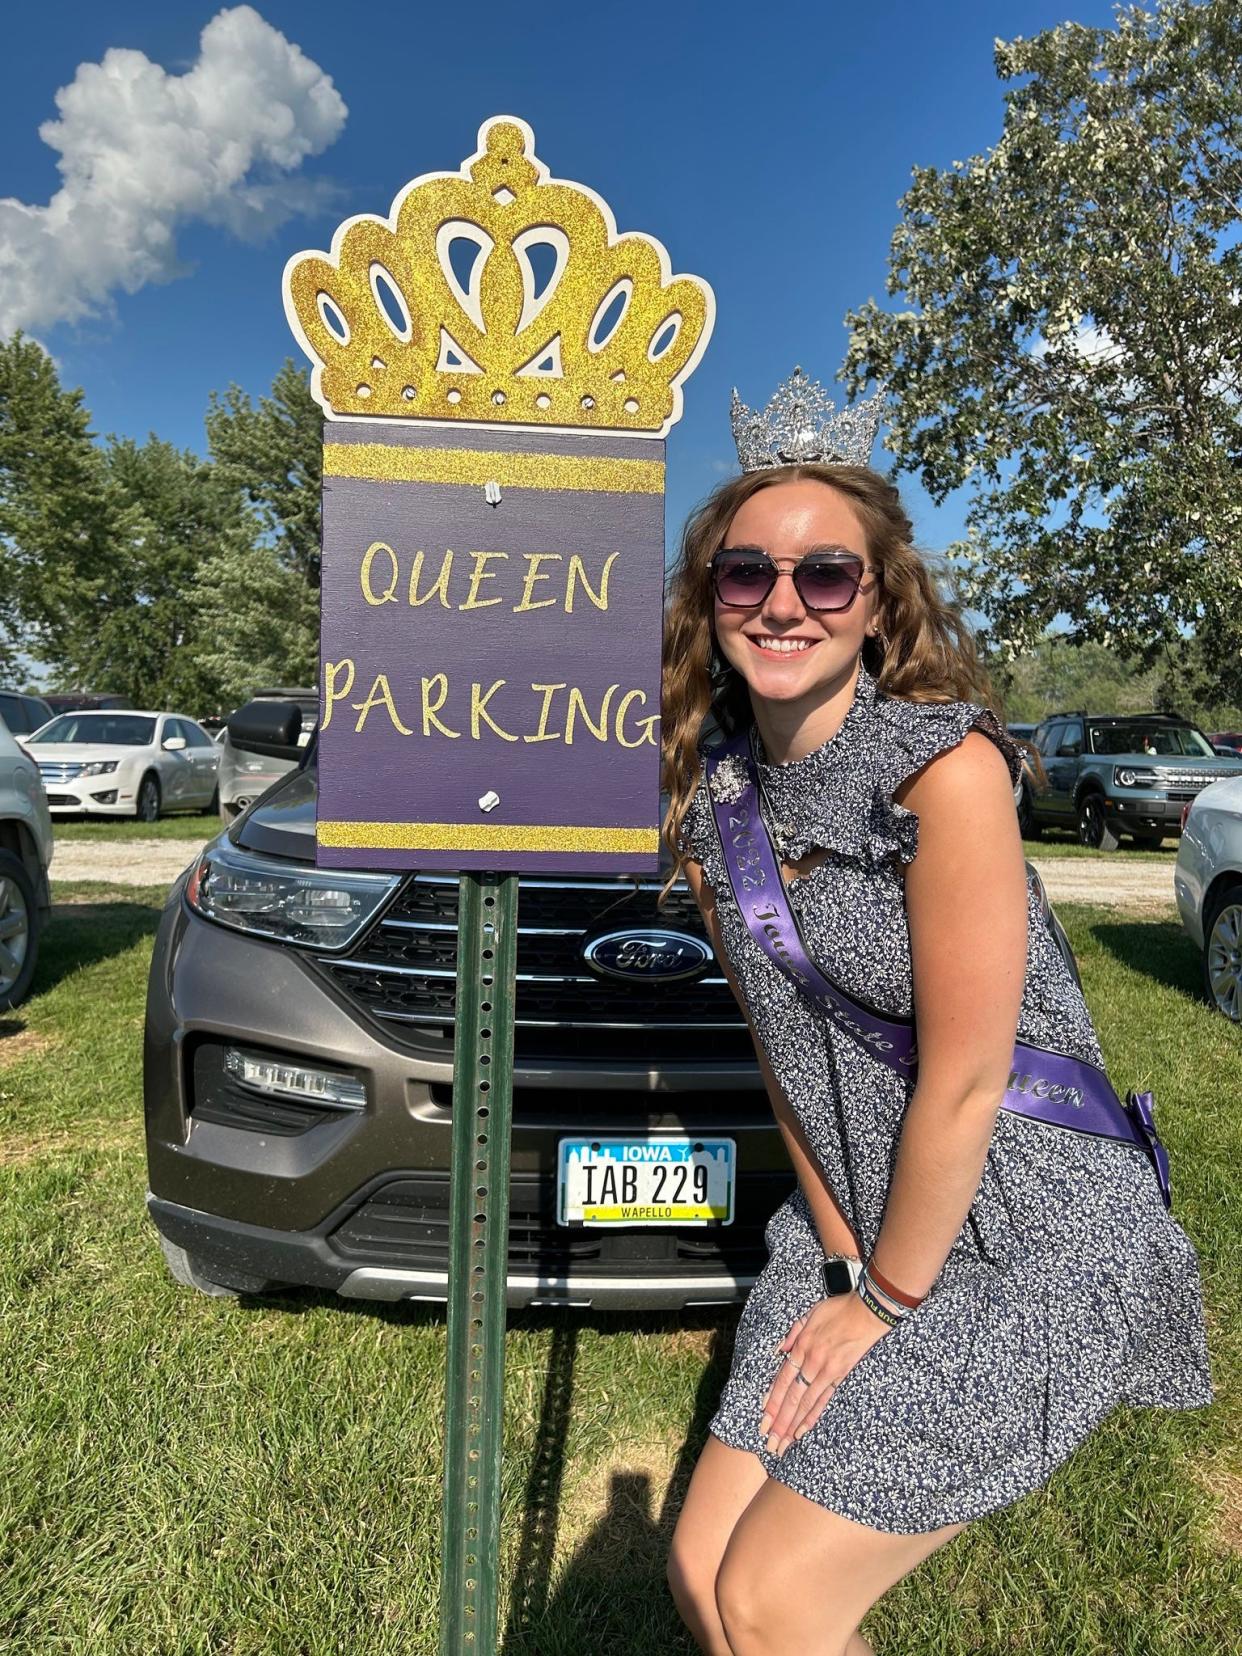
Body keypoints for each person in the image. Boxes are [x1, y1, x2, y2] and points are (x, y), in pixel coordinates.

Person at [659, 372, 1212, 1656]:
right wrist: (838, 1251)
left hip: (1025, 1210)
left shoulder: (945, 768)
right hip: (860, 1215)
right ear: (712, 599)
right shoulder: (709, 804)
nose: (784, 603)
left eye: (825, 576)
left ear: (877, 597)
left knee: (776, 1597)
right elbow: (781, 1048)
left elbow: (964, 1084)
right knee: (703, 1574)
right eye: (748, 575)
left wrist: (887, 1300)